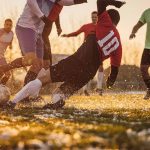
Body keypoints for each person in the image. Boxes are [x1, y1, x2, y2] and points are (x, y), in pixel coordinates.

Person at [7, 0, 125, 110]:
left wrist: (114, 3)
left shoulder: (105, 23)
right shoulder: (118, 44)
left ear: (107, 18)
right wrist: (109, 84)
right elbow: (114, 72)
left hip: (76, 62)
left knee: (42, 79)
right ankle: (57, 102)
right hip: (89, 73)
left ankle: (12, 102)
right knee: (60, 93)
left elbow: (101, 1)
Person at [0, 0, 88, 84]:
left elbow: (63, 1)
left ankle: (26, 95)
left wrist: (80, 0)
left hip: (37, 32)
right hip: (26, 27)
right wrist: (42, 17)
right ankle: (3, 68)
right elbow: (31, 2)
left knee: (39, 64)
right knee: (30, 59)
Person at [62, 11, 99, 96]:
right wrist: (67, 35)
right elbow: (76, 33)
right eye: (93, 17)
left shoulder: (100, 27)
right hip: (85, 50)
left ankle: (96, 88)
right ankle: (84, 89)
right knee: (84, 68)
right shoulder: (86, 26)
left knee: (93, 69)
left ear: (98, 18)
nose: (94, 18)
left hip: (96, 51)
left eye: (95, 17)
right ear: (91, 17)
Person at [129, 8, 150, 100]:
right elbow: (137, 25)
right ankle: (149, 88)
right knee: (143, 68)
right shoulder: (146, 12)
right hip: (147, 47)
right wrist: (133, 32)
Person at [0, 19, 14, 85]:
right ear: (4, 25)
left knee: (7, 74)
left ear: (12, 26)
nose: (8, 26)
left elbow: (10, 44)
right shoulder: (1, 31)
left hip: (2, 56)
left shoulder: (12, 34)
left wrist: (11, 46)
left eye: (10, 25)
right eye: (7, 24)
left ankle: (1, 86)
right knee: (6, 73)